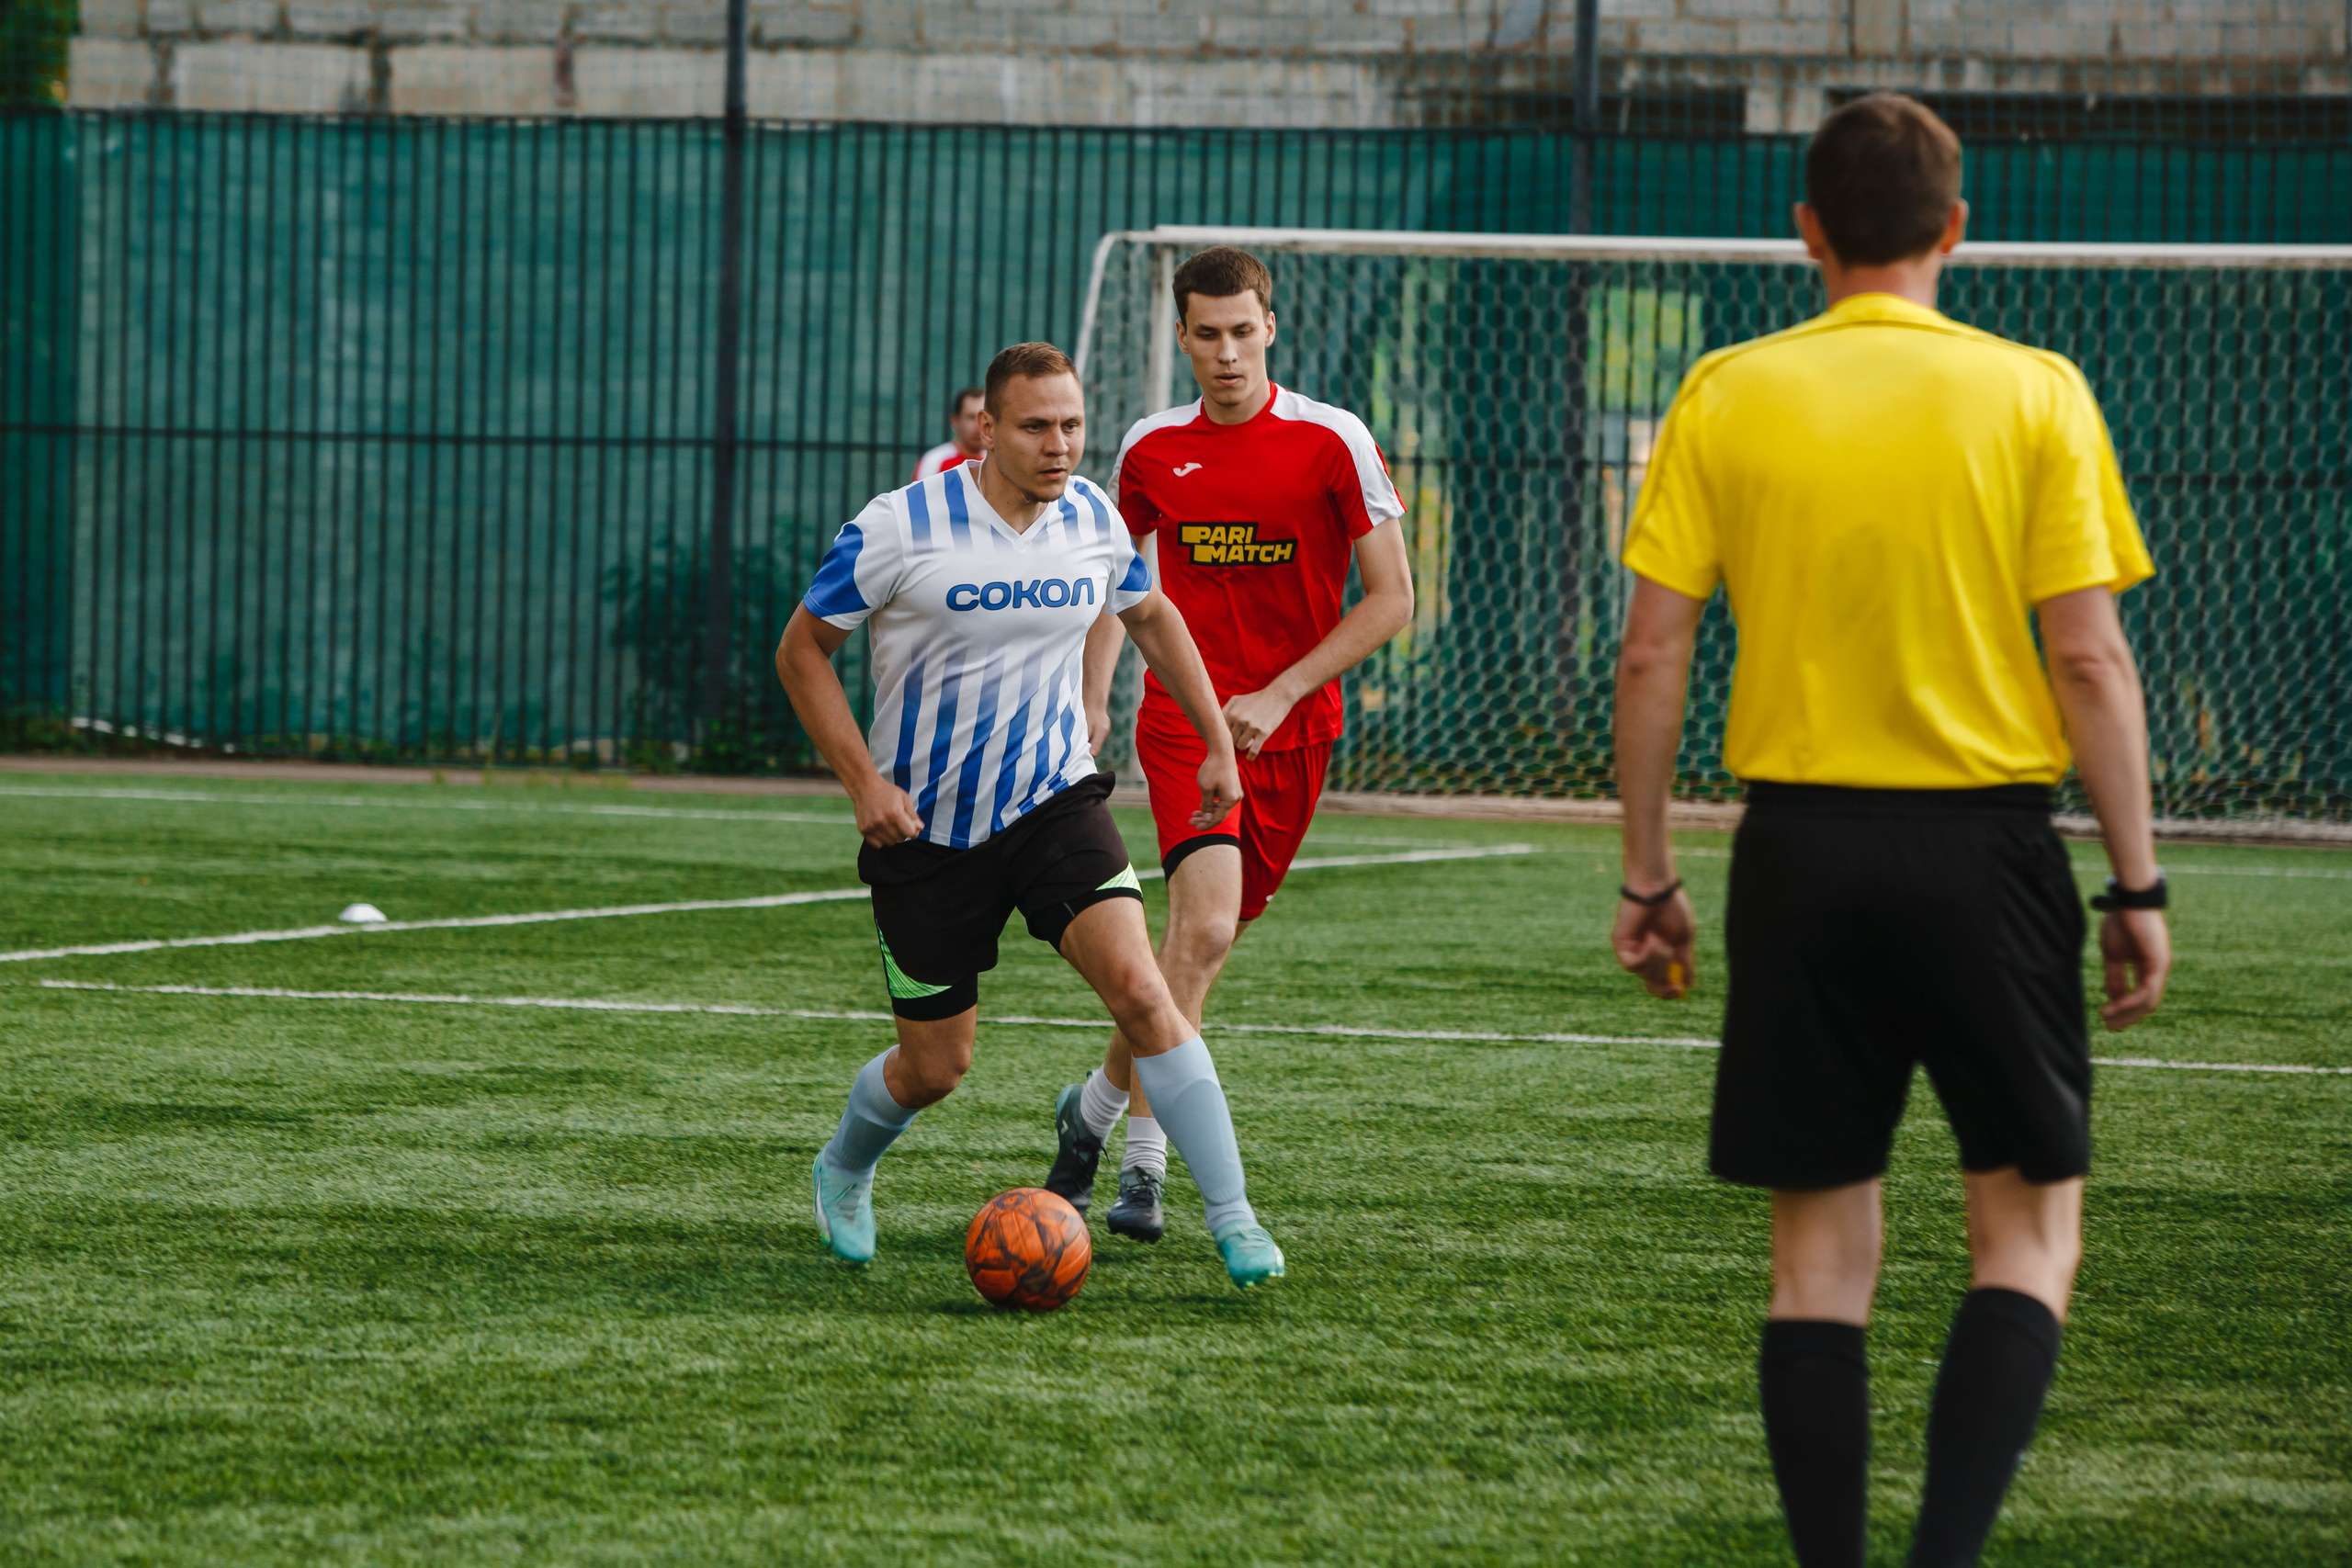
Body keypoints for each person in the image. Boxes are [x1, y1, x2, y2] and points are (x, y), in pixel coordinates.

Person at [1609, 94, 2172, 1568]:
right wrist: (2137, 878)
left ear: (1805, 231)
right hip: (1990, 854)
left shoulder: (1727, 390)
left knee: (1818, 1259)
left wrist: (1650, 872)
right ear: (1954, 228)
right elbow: (2094, 661)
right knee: (2030, 1235)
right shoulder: (2037, 390)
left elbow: (1653, 655)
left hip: (1796, 856)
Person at [775, 341, 1286, 1291]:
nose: (1060, 447)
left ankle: (1235, 1216)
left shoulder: (1092, 516)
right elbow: (801, 651)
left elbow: (1152, 616)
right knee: (935, 1068)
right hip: (924, 831)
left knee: (1143, 990)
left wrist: (1217, 740)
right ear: (986, 429)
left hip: (1055, 803)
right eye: (1036, 427)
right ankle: (842, 1168)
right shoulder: (900, 526)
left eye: (1073, 427)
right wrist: (862, 785)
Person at [1040, 245, 1415, 1242]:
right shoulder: (1152, 448)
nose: (1225, 353)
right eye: (1205, 335)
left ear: (1270, 329)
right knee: (1198, 934)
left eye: (1241, 332)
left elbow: (1392, 600)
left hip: (1294, 737)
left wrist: (1286, 692)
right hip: (1184, 726)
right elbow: (1119, 588)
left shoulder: (1334, 440)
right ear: (1182, 338)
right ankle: (1146, 1173)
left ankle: (1087, 1113)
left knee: (1186, 962)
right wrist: (1093, 698)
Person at [912, 386, 988, 481]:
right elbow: (919, 496)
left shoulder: (996, 463)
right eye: (971, 417)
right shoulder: (935, 461)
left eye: (984, 417)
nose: (978, 425)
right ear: (954, 420)